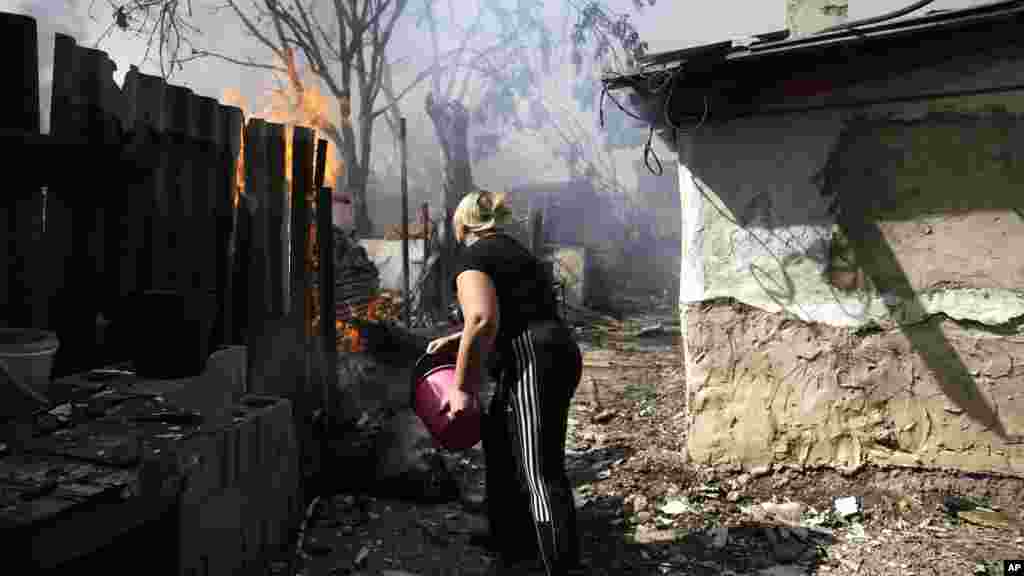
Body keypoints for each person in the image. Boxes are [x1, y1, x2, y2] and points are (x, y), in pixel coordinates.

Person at [426, 189, 583, 575]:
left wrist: (461, 388)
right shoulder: (515, 250)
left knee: (539, 469)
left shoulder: (473, 256)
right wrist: (456, 339)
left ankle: (558, 565)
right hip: (553, 348)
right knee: (499, 440)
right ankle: (511, 543)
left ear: (462, 225)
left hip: (534, 357)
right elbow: (511, 309)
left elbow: (481, 321)